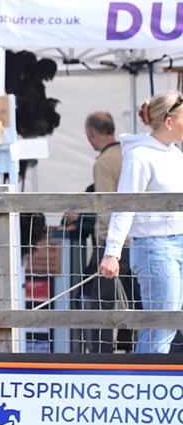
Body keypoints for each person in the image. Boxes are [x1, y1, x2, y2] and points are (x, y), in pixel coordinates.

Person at [100, 91, 183, 354]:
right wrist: (112, 252)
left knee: (167, 324)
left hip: (175, 243)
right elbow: (126, 204)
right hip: (155, 247)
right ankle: (144, 377)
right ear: (170, 122)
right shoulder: (140, 157)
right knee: (161, 324)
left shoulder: (174, 154)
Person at [65, 111, 138, 352]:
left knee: (95, 302)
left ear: (91, 134)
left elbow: (108, 208)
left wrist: (107, 247)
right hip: (139, 241)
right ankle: (136, 355)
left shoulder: (104, 162)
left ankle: (101, 358)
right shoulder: (129, 153)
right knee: (138, 303)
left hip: (115, 245)